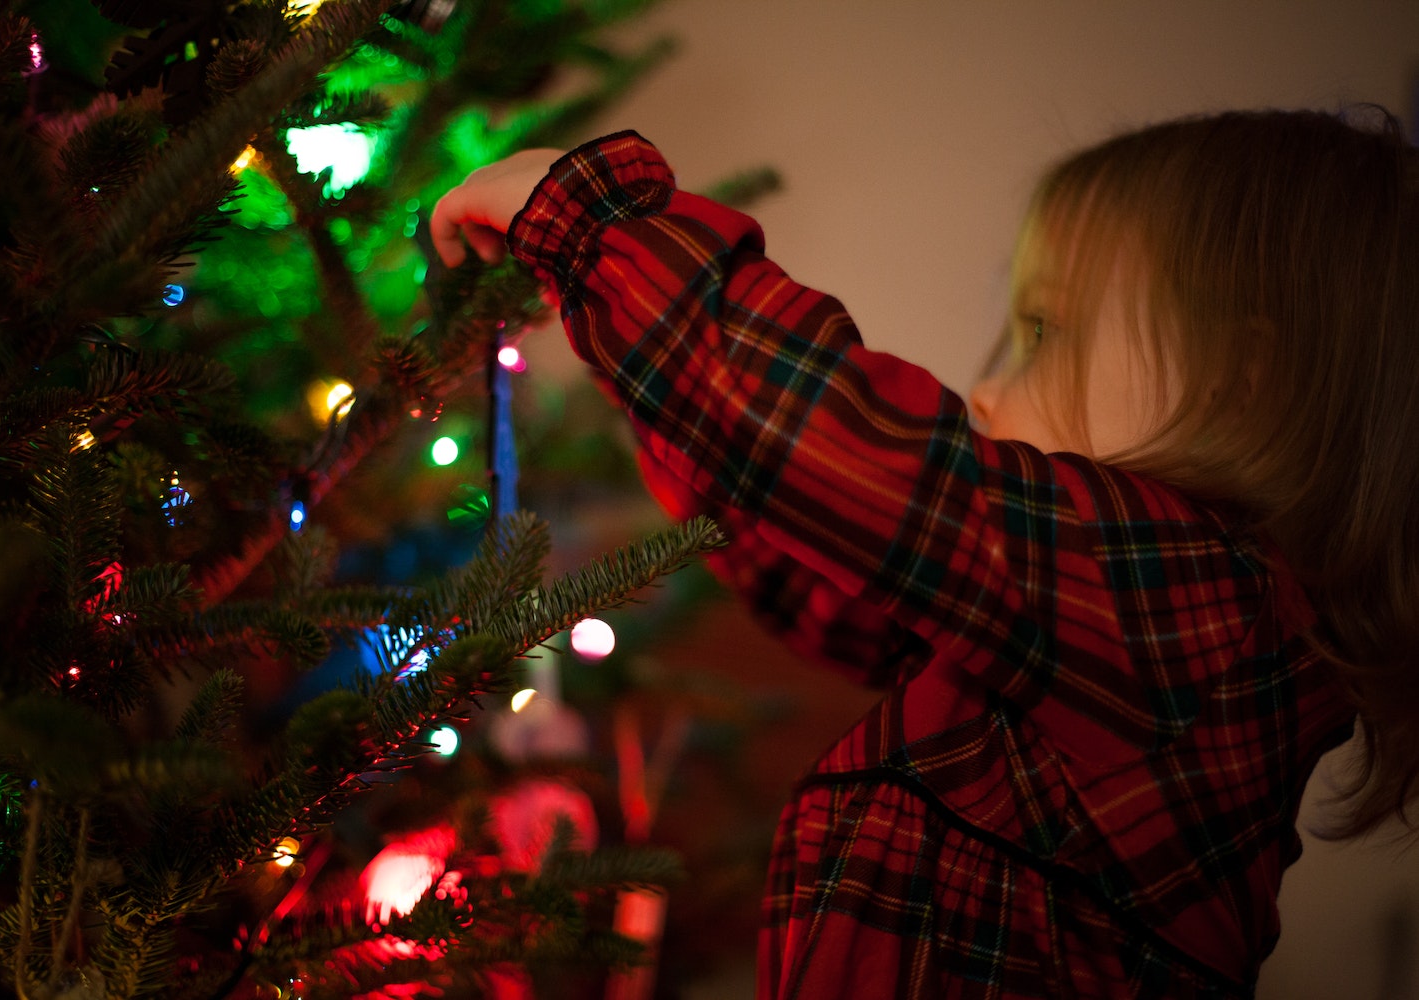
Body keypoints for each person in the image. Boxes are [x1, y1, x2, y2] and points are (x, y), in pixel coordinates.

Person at [430, 108, 1419, 998]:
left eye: (1043, 332)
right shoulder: (1075, 647)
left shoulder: (1197, 615)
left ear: (1236, 384)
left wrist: (590, 224)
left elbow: (848, 456)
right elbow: (817, 564)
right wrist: (644, 363)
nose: (986, 393)